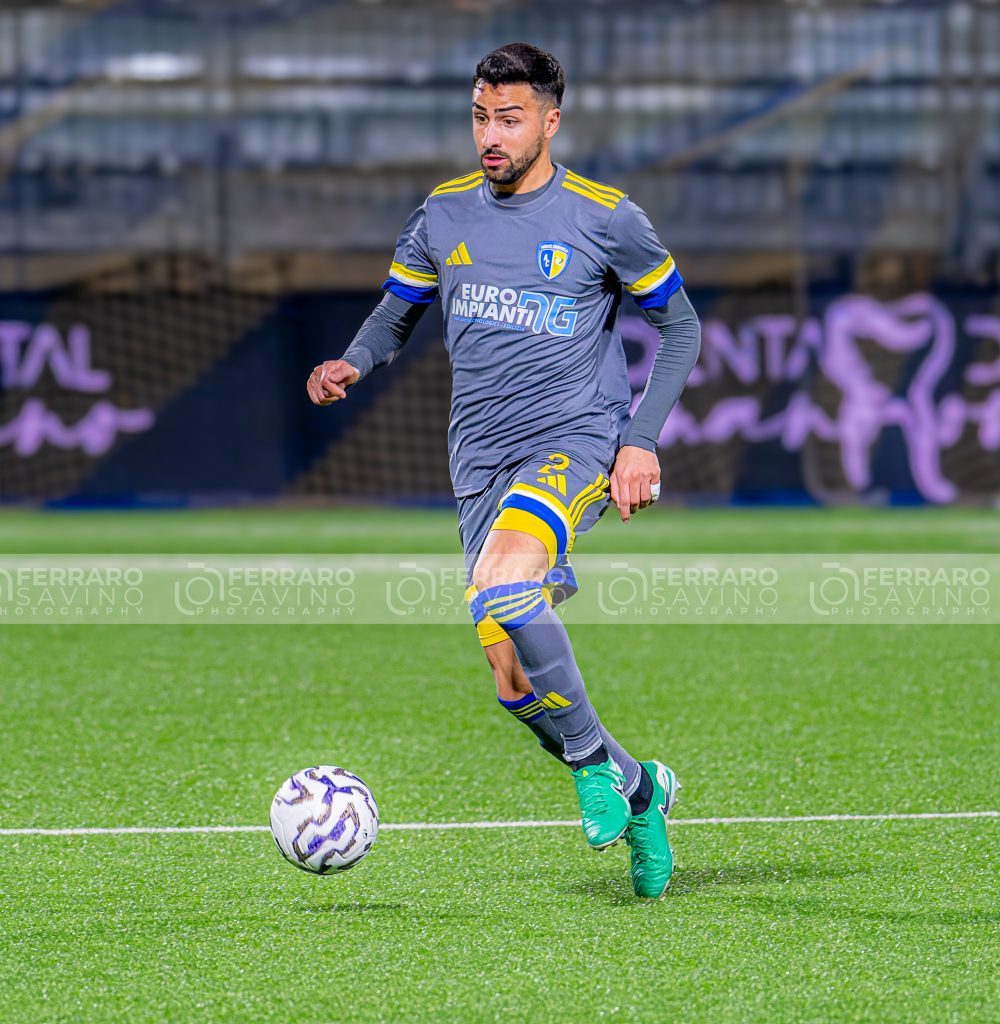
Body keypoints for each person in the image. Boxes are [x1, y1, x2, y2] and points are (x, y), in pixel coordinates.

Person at [307, 43, 700, 899]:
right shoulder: (444, 213)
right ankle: (641, 789)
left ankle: (593, 765)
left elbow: (682, 329)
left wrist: (639, 440)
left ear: (550, 122)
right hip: (478, 460)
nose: (491, 134)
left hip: (575, 442)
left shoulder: (606, 217)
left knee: (506, 583)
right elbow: (396, 314)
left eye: (510, 119)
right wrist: (353, 361)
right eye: (481, 117)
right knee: (512, 680)